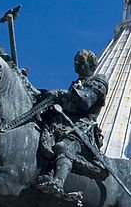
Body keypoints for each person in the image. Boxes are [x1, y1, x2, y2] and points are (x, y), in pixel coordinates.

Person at [36, 49, 109, 199]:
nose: (77, 65)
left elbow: (86, 101)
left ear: (91, 65)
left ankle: (58, 183)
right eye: (76, 61)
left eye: (81, 62)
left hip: (81, 127)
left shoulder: (99, 81)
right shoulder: (77, 83)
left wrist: (63, 93)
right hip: (63, 122)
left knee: (65, 146)